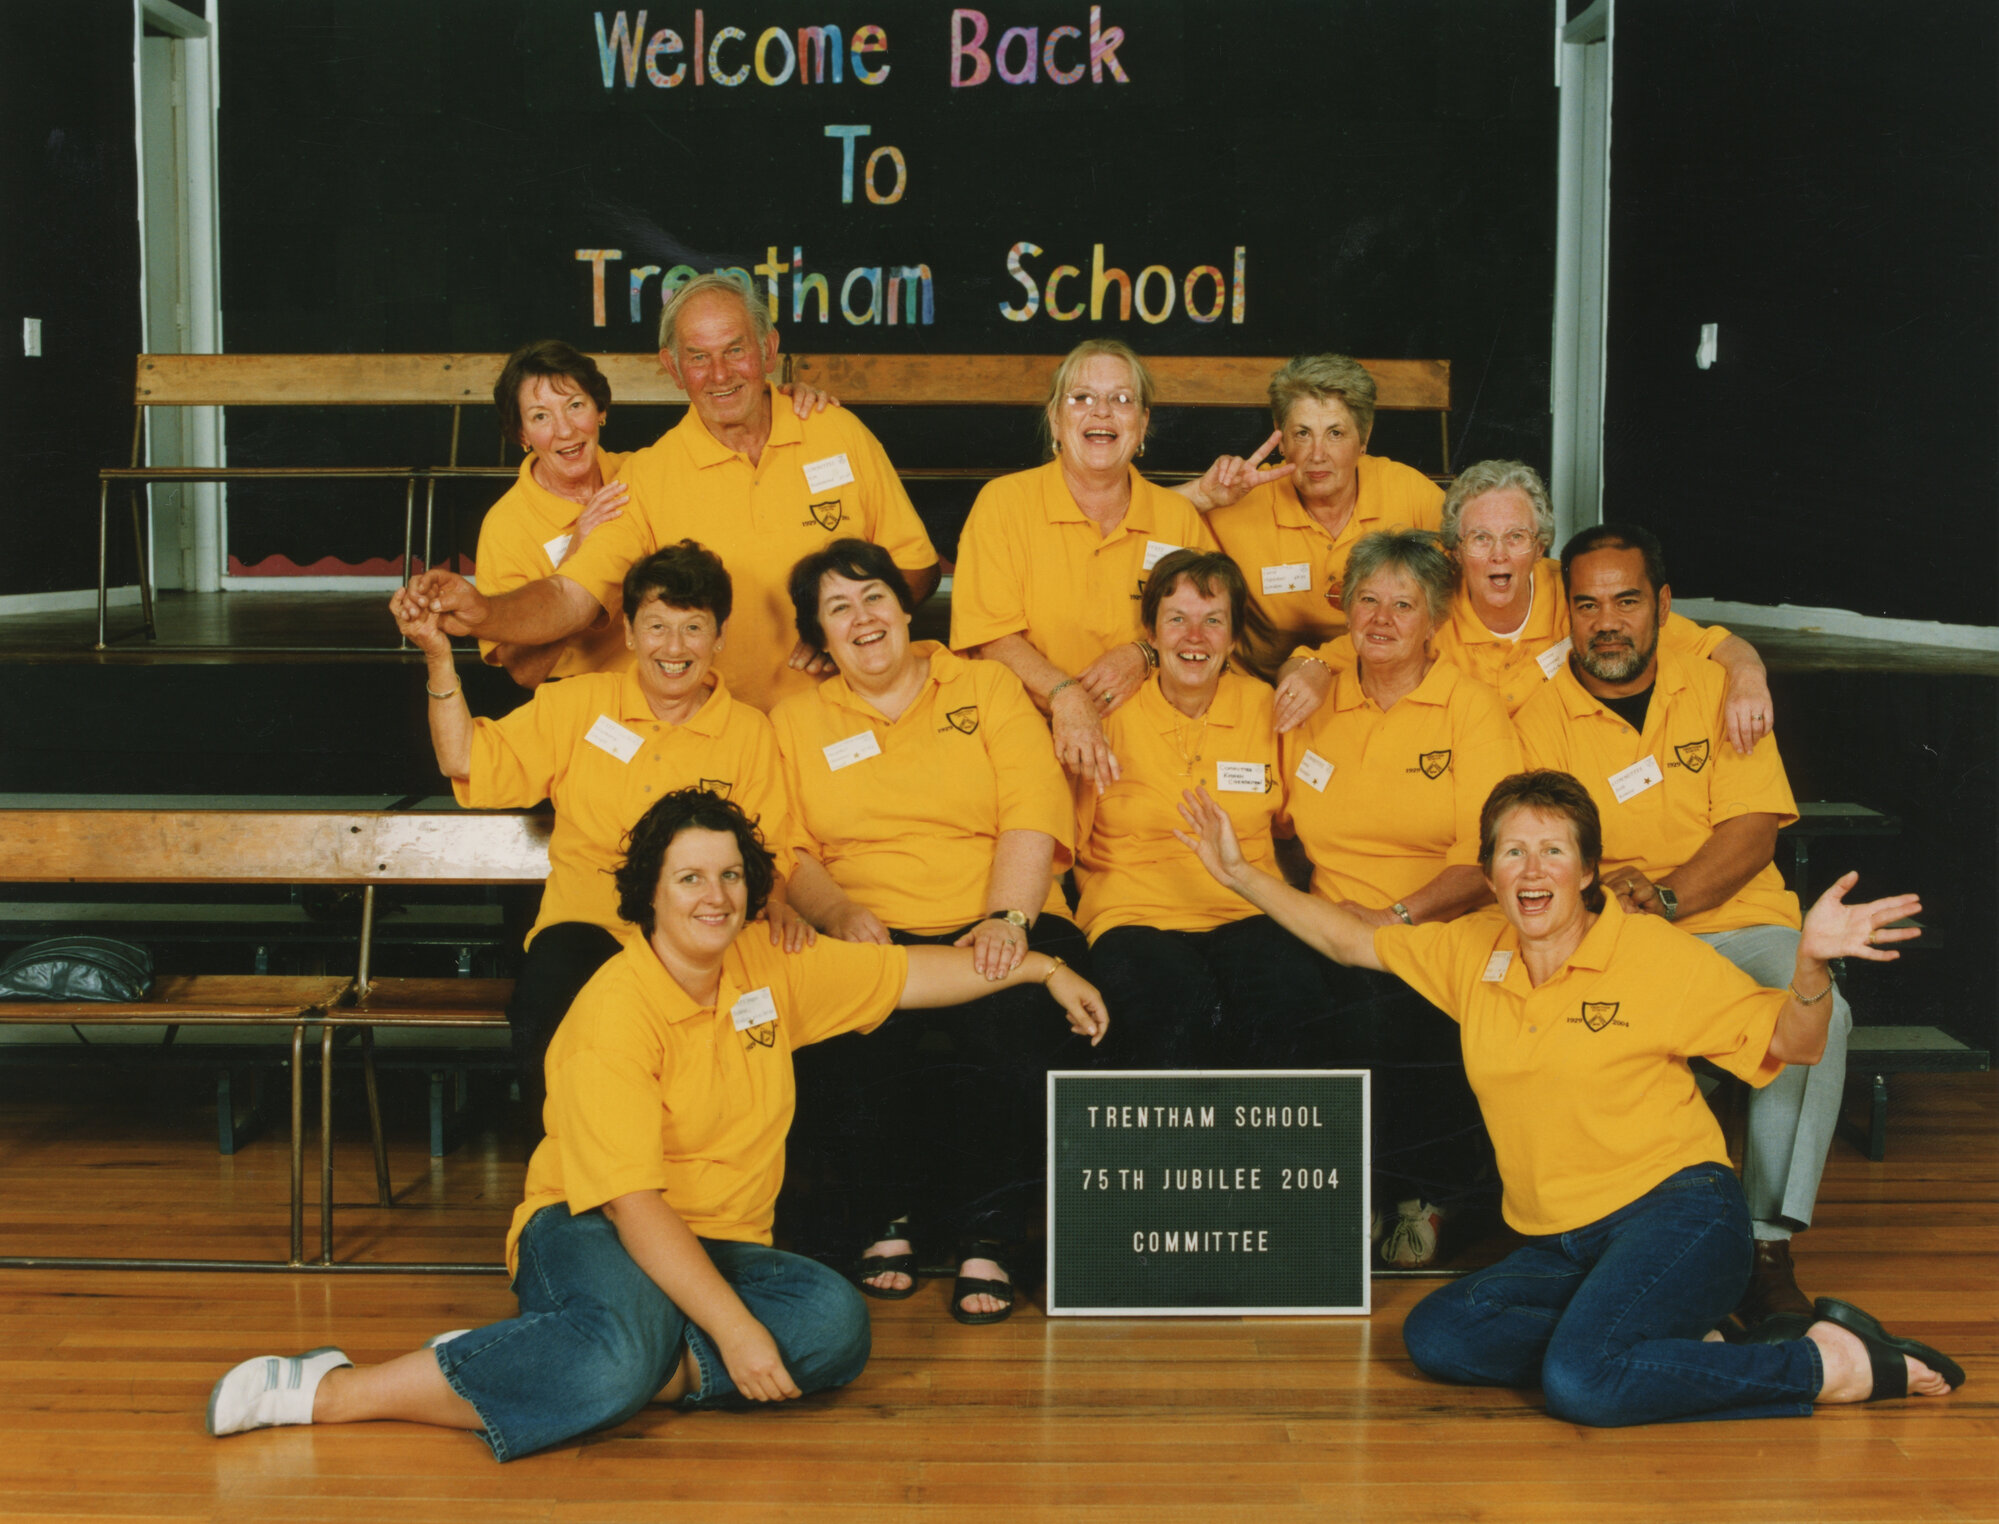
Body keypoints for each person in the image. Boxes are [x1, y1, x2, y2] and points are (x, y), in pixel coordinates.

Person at [205, 789, 1108, 1461]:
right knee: (621, 1363)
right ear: (648, 894)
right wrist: (740, 1336)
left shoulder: (765, 967)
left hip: (721, 1244)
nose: (713, 895)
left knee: (836, 1323)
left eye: (728, 875)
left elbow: (912, 978)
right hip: (590, 1226)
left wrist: (1036, 972)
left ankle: (532, 1361)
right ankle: (332, 1390)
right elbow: (635, 1209)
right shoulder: (611, 1016)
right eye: (689, 878)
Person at [1176, 769, 1959, 1424]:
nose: (1531, 869)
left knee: (1582, 1382)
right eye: (1512, 852)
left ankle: (1827, 1365)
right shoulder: (1471, 951)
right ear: (1488, 874)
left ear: (1585, 871)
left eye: (1552, 850)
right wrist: (1238, 871)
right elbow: (1348, 939)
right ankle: (1682, 1349)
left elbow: (1793, 1044)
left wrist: (1812, 971)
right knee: (1439, 1336)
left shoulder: (1649, 954)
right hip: (1562, 1242)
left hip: (1678, 1215)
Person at [1512, 523, 1852, 1330]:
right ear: (1565, 612)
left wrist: (1664, 897)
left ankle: (1766, 1249)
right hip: (1617, 936)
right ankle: (1631, 1243)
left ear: (1662, 606)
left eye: (1626, 600)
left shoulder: (1714, 686)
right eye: (1587, 604)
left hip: (1737, 924)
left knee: (1820, 1016)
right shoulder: (1535, 714)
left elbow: (1750, 833)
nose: (1606, 622)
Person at [772, 539, 1087, 1325]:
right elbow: (787, 847)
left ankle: (991, 1234)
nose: (862, 618)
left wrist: (1009, 918)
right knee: (853, 1038)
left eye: (873, 596)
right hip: (867, 923)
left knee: (1009, 1031)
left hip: (996, 907)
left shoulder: (983, 686)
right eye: (837, 609)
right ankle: (887, 1217)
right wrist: (838, 913)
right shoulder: (794, 719)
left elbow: (1030, 805)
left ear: (906, 604)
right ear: (819, 638)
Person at [389, 540, 805, 1120]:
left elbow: (770, 854)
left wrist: (778, 900)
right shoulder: (579, 704)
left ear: (719, 638)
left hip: (703, 943)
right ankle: (562, 1198)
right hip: (587, 930)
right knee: (550, 1002)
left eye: (693, 628)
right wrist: (438, 656)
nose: (675, 647)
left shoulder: (749, 733)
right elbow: (464, 758)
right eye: (657, 626)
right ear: (630, 634)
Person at [403, 275, 940, 710]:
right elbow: (570, 597)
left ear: (769, 350)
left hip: (848, 718)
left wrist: (841, 630)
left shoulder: (837, 431)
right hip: (722, 737)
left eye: (736, 350)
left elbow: (918, 566)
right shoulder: (647, 478)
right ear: (673, 368)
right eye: (699, 357)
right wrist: (482, 610)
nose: (720, 374)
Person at [1276, 529, 1522, 1266]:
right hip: (1328, 919)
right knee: (1286, 1002)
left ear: (1435, 619)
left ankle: (1422, 1191)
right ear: (1345, 608)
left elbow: (1489, 857)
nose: (1380, 621)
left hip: (1438, 919)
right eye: (1367, 601)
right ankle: (1341, 1191)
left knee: (1399, 1012)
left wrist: (1393, 919)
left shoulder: (1469, 709)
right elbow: (1281, 824)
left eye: (1403, 606)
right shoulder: (1314, 700)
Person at [1295, 459, 1772, 752]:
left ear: (1540, 545)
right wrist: (1312, 669)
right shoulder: (1432, 601)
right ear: (1456, 550)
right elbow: (1333, 653)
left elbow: (1714, 645)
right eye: (1480, 538)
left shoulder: (1579, 595)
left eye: (1515, 537)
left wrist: (1749, 678)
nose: (1498, 554)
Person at [1072, 548, 1321, 1069]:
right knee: (1170, 1010)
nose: (1194, 636)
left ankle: (1265, 1153)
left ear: (1232, 639)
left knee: (1286, 1003)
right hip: (1133, 917)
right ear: (1152, 634)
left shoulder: (1264, 706)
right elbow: (1066, 840)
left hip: (1248, 909)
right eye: (1177, 620)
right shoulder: (1103, 715)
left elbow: (1298, 825)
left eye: (1213, 621)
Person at [950, 338, 1218, 794]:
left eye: (1121, 400)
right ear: (1055, 419)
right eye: (1082, 398)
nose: (1102, 412)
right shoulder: (1003, 504)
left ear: (1143, 424)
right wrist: (1067, 697)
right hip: (1027, 741)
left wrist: (1145, 653)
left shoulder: (1177, 519)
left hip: (1147, 754)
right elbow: (990, 638)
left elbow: (1214, 629)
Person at [1186, 353, 1444, 674]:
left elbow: (1469, 580)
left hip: (1378, 688)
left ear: (1364, 436)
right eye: (1303, 434)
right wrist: (1200, 496)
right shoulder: (1245, 501)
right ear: (1281, 436)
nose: (1317, 455)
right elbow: (1137, 521)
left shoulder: (1408, 492)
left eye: (1335, 433)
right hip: (1262, 694)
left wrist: (1322, 663)